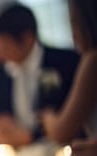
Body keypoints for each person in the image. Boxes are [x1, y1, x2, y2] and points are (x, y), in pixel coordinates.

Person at [0, 3, 80, 147]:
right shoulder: (0, 72)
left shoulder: (64, 63)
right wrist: (2, 121)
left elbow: (66, 115)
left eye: (4, 44)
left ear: (27, 38)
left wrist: (30, 137)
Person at [41, 0, 97, 144]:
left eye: (73, 22)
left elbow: (62, 132)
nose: (73, 36)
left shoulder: (92, 59)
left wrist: (46, 117)